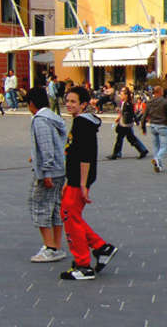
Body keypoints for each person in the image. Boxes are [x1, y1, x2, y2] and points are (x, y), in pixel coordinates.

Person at [59, 86, 117, 281]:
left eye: (73, 101)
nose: (68, 104)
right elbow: (73, 154)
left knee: (70, 217)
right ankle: (101, 247)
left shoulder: (82, 124)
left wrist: (82, 184)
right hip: (75, 178)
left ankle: (84, 265)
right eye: (67, 101)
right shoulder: (81, 122)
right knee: (71, 215)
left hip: (79, 179)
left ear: (83, 104)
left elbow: (85, 156)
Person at [25, 86, 67, 263]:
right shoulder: (53, 118)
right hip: (60, 168)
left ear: (31, 103)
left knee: (39, 205)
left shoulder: (39, 120)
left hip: (49, 171)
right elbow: (57, 143)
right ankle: (56, 245)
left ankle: (49, 247)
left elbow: (47, 146)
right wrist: (35, 157)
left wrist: (47, 170)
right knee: (56, 206)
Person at [141, 86, 167, 172]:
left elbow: (144, 115)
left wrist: (143, 127)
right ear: (160, 92)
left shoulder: (149, 102)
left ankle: (158, 165)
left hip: (153, 125)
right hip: (162, 125)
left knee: (155, 146)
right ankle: (158, 159)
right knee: (164, 146)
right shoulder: (164, 102)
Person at [107, 88, 148, 160]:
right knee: (129, 138)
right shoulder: (126, 103)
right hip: (126, 123)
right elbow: (129, 113)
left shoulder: (128, 103)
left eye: (122, 94)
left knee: (121, 138)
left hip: (125, 124)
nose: (120, 96)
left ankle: (116, 154)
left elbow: (131, 113)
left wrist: (135, 121)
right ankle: (142, 150)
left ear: (126, 95)